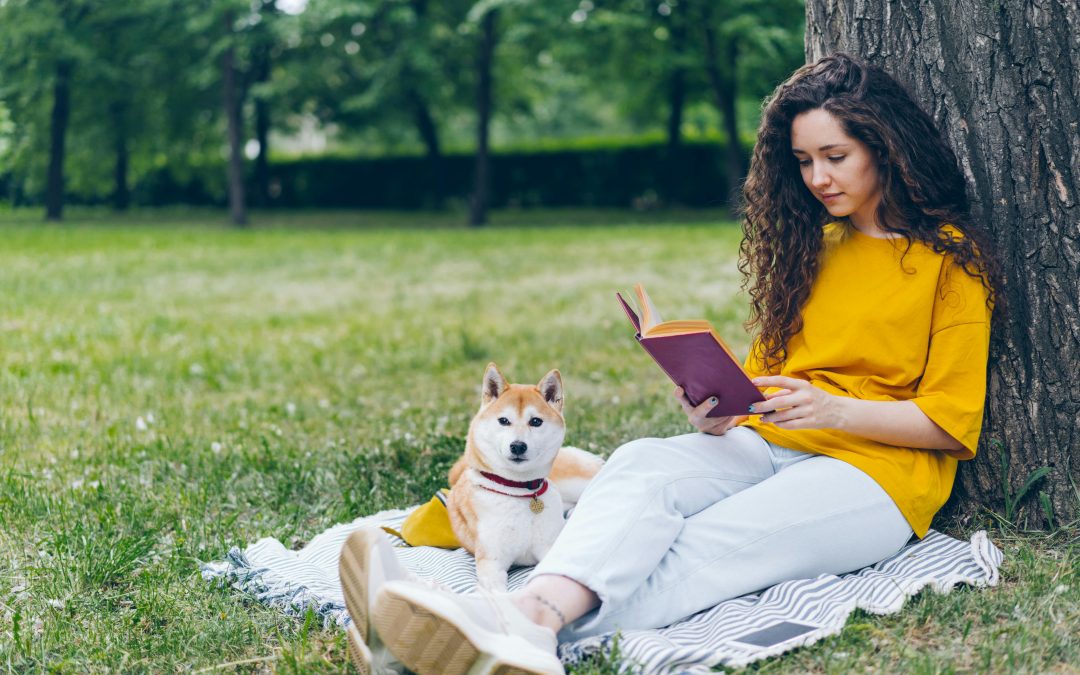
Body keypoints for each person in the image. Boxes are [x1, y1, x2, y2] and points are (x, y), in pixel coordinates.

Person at [338, 52, 1001, 675]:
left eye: (836, 156)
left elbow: (951, 423)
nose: (818, 178)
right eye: (803, 160)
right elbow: (761, 385)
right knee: (639, 464)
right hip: (768, 443)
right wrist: (717, 409)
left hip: (876, 475)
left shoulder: (949, 261)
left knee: (712, 540)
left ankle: (504, 624)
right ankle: (526, 626)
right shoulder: (811, 248)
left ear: (884, 149)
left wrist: (834, 409)